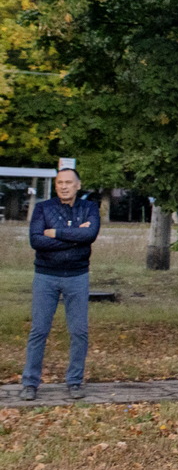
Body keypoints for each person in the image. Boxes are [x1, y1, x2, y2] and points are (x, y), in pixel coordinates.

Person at [21, 168, 100, 401]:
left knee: (79, 331)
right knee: (39, 330)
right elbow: (36, 240)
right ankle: (30, 383)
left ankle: (75, 381)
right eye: (59, 183)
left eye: (68, 182)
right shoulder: (43, 208)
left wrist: (55, 233)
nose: (64, 186)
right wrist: (74, 237)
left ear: (78, 185)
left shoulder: (90, 209)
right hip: (46, 276)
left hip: (77, 276)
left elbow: (90, 236)